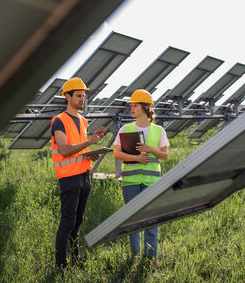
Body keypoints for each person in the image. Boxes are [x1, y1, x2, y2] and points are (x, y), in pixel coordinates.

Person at [50, 77, 105, 268]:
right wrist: (90, 143)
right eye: (79, 96)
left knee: (78, 220)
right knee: (68, 221)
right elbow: (64, 150)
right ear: (67, 96)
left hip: (84, 176)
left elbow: (79, 150)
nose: (83, 99)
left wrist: (90, 154)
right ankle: (60, 264)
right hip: (69, 178)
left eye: (84, 96)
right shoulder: (58, 121)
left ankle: (75, 257)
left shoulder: (83, 120)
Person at [113, 89, 169, 270]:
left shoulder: (158, 130)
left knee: (151, 220)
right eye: (132, 105)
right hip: (130, 182)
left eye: (135, 105)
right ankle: (135, 255)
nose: (132, 108)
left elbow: (165, 156)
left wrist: (150, 149)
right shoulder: (125, 129)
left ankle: (151, 259)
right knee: (133, 220)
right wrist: (137, 158)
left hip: (152, 182)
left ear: (145, 107)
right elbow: (117, 153)